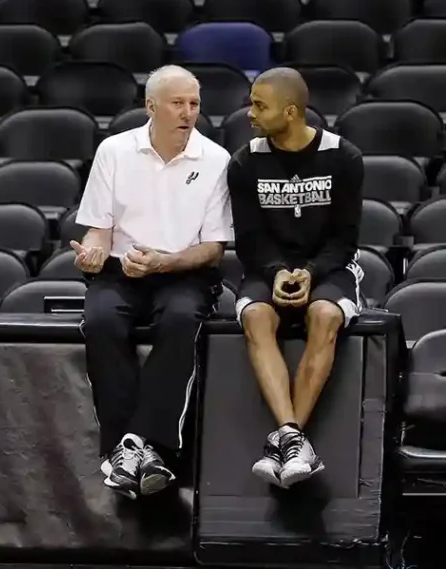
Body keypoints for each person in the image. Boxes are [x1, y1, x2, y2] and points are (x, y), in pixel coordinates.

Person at [73, 65, 233, 499]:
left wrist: (164, 263)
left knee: (182, 320)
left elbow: (214, 248)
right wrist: (92, 251)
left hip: (184, 272)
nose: (188, 113)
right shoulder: (114, 151)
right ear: (151, 106)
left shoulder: (216, 159)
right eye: (178, 103)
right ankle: (131, 450)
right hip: (120, 270)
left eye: (194, 104)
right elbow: (98, 230)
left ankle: (140, 445)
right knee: (102, 321)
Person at [228, 67, 364, 488]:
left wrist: (308, 273)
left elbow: (344, 240)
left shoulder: (343, 157)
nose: (249, 113)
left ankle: (285, 442)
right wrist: (277, 273)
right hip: (266, 267)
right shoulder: (245, 161)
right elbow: (249, 240)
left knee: (324, 314)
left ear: (290, 112)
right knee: (255, 318)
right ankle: (292, 437)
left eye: (259, 105)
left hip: (329, 267)